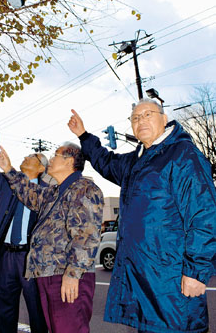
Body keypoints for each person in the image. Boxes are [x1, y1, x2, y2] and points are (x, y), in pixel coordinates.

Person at [68, 100, 216, 333]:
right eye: (135, 118)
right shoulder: (136, 161)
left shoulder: (182, 155)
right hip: (144, 288)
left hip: (172, 287)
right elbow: (106, 162)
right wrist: (84, 135)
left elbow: (204, 214)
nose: (141, 121)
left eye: (148, 114)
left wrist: (196, 272)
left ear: (164, 120)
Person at [0, 142, 104, 333]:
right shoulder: (54, 193)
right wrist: (8, 169)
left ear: (69, 161)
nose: (51, 160)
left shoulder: (84, 189)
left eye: (55, 155)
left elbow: (86, 236)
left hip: (66, 276)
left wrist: (72, 275)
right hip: (47, 274)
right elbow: (28, 192)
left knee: (69, 329)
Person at [0, 117, 53, 333]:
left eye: (32, 156)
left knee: (37, 311)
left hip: (31, 258)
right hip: (7, 256)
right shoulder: (8, 182)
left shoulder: (46, 192)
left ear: (41, 168)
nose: (26, 156)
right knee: (5, 310)